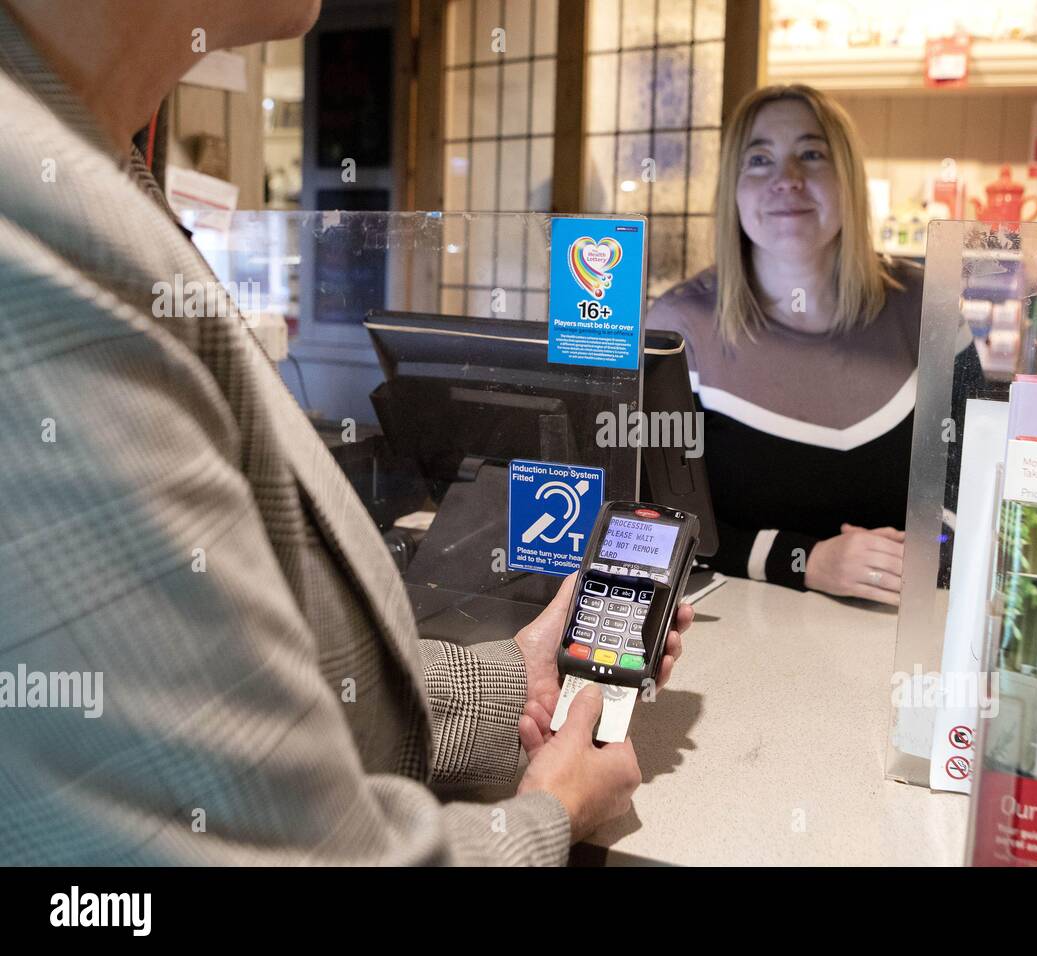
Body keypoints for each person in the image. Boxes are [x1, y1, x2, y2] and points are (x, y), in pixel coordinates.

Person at [0, 0, 690, 865]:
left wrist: (520, 675)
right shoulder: (32, 229)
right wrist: (543, 819)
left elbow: (228, 691)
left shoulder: (81, 175)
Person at [648, 84, 980, 604]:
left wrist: (928, 552)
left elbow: (977, 484)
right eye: (759, 160)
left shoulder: (927, 306)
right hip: (744, 645)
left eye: (812, 153)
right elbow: (650, 523)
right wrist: (805, 559)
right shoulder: (676, 328)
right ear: (732, 189)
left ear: (848, 176)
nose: (788, 179)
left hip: (904, 629)